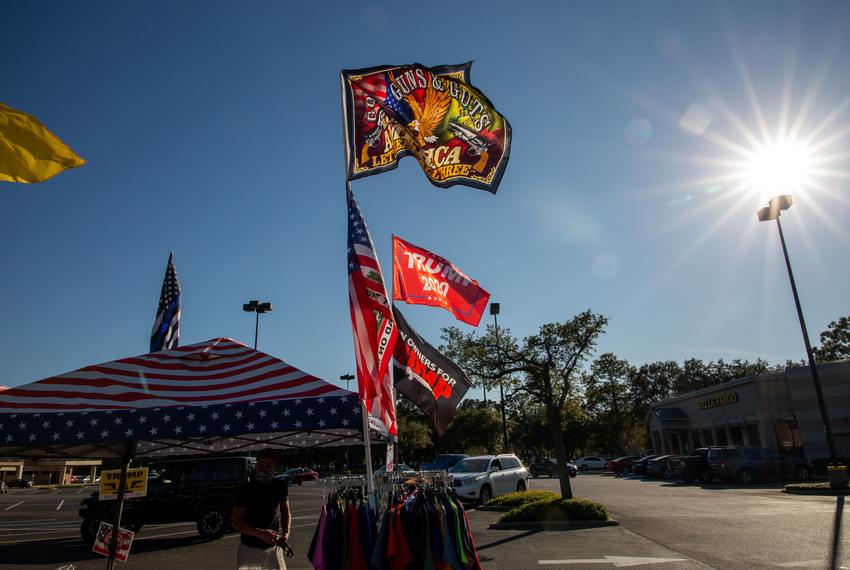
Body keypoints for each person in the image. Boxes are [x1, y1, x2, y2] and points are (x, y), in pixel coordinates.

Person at [232, 448, 291, 570]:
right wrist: (261, 534)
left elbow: (286, 512)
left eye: (268, 464)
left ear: (274, 466)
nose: (263, 467)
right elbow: (237, 523)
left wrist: (286, 532)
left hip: (275, 549)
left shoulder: (280, 486)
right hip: (249, 550)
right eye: (260, 464)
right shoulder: (245, 489)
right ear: (256, 465)